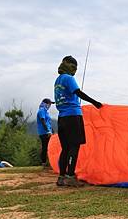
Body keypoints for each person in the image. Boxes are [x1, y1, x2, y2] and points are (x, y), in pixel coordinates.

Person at [54, 55, 103, 187]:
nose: (75, 71)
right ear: (70, 66)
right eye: (74, 67)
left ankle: (61, 177)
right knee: (74, 147)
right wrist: (95, 103)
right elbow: (78, 93)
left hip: (62, 118)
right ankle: (70, 177)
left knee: (65, 148)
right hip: (73, 116)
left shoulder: (57, 81)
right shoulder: (69, 78)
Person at [36, 98, 54, 167]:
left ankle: (48, 163)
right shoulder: (42, 110)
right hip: (44, 133)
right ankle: (44, 163)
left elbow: (48, 122)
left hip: (48, 132)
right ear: (45, 104)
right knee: (45, 147)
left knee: (49, 147)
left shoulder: (46, 111)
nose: (49, 105)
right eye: (49, 104)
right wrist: (48, 131)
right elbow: (43, 121)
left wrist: (52, 130)